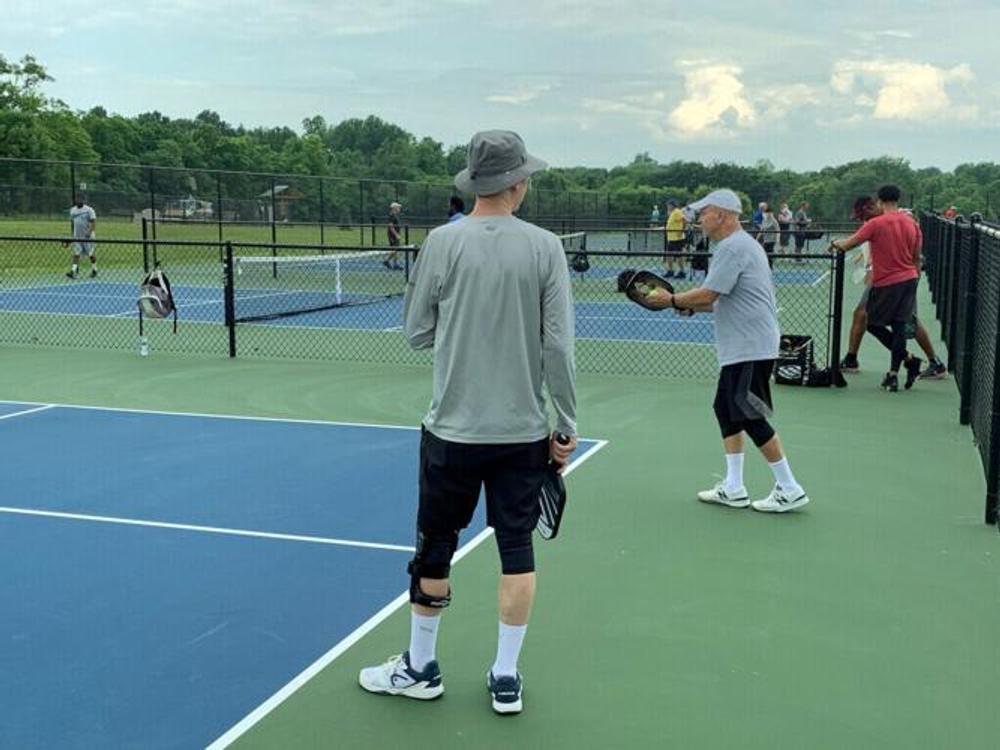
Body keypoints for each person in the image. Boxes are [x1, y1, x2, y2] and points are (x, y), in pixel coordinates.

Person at [359, 130, 577, 715]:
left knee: (435, 546)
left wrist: (456, 336)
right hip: (524, 433)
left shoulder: (439, 243)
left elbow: (415, 331)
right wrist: (565, 422)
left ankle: (421, 668)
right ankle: (506, 677)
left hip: (451, 433)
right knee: (517, 549)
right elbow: (557, 346)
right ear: (517, 183)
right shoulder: (546, 248)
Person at [644, 189, 810, 513]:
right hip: (744, 345)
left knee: (748, 413)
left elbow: (708, 294)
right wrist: (690, 307)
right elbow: (721, 298)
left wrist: (673, 300)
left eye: (703, 214)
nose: (699, 220)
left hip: (751, 345)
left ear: (721, 214)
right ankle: (734, 487)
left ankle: (789, 487)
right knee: (726, 407)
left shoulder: (733, 247)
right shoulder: (738, 245)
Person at [839, 196, 947, 380]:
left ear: (874, 206)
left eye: (862, 215)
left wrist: (835, 245)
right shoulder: (875, 223)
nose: (861, 220)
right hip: (888, 277)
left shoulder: (897, 220)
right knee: (862, 314)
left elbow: (910, 250)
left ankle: (932, 362)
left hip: (895, 278)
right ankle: (852, 358)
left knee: (906, 321)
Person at [831, 185, 923, 392]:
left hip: (886, 282)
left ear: (879, 201)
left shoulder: (876, 223)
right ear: (897, 199)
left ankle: (908, 360)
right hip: (909, 278)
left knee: (872, 324)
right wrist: (914, 278)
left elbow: (849, 244)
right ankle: (894, 373)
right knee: (899, 326)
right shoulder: (912, 224)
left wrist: (835, 243)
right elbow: (916, 256)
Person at [66, 197, 97, 279]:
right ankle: (73, 271)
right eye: (78, 200)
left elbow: (93, 222)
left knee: (90, 254)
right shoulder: (72, 210)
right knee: (76, 254)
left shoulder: (89, 210)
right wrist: (73, 235)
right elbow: (73, 223)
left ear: (84, 201)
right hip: (77, 237)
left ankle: (94, 269)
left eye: (81, 200)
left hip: (87, 237)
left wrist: (89, 232)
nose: (79, 201)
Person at [665, 200, 687, 279]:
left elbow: (684, 220)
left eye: (668, 205)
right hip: (671, 238)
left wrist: (681, 231)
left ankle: (682, 272)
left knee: (678, 256)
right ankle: (670, 271)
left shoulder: (677, 212)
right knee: (668, 255)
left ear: (672, 205)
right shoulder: (672, 213)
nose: (667, 207)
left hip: (677, 238)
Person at [384, 201, 404, 270]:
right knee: (395, 249)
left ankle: (395, 264)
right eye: (398, 207)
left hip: (395, 235)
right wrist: (396, 235)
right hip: (392, 236)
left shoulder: (395, 215)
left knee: (396, 249)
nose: (399, 209)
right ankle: (386, 260)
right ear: (394, 208)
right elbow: (390, 226)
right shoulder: (392, 215)